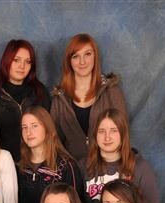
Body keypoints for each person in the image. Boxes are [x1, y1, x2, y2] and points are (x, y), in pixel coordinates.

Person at [50, 33, 128, 171]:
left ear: (95, 57)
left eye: (87, 54)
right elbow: (54, 140)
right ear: (69, 61)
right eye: (76, 56)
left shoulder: (111, 91)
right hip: (72, 171)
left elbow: (122, 132)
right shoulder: (59, 98)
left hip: (108, 169)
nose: (82, 62)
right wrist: (68, 168)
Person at [15, 105, 87, 203]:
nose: (29, 132)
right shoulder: (19, 166)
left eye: (34, 126)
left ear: (47, 128)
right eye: (24, 127)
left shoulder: (66, 166)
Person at [0, 39, 51, 163]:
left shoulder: (40, 92)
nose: (22, 66)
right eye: (16, 60)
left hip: (37, 164)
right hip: (0, 164)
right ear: (6, 61)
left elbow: (50, 130)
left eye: (28, 62)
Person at [85, 108, 161, 203]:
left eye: (113, 131)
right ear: (95, 135)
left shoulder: (140, 167)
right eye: (101, 131)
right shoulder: (83, 166)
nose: (107, 137)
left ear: (123, 134)